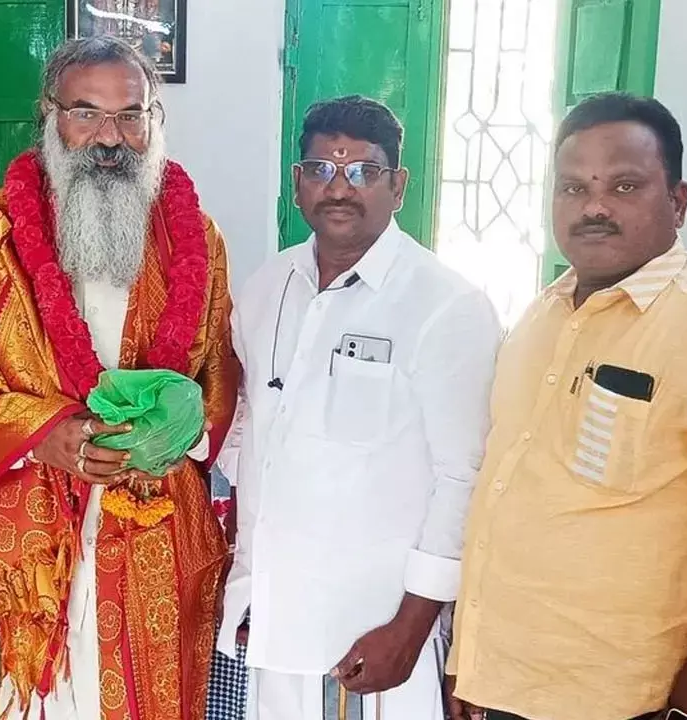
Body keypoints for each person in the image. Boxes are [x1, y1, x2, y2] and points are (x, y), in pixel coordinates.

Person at [445, 93, 687, 720]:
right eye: (573, 188)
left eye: (624, 186)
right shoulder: (541, 316)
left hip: (627, 703)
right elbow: (506, 496)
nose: (593, 206)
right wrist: (471, 662)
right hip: (504, 688)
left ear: (678, 201)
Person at [0, 36, 239, 720]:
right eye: (86, 113)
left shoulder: (196, 238)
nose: (109, 138)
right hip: (23, 545)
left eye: (130, 115)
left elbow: (217, 374)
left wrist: (178, 428)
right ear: (50, 115)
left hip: (153, 534)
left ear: (154, 120)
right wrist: (41, 436)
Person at [214, 95, 502, 720]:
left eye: (365, 170)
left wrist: (412, 627)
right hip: (269, 621)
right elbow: (247, 428)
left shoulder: (446, 306)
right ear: (298, 183)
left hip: (372, 633)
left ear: (398, 186)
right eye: (322, 169)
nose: (340, 188)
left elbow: (464, 478)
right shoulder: (266, 288)